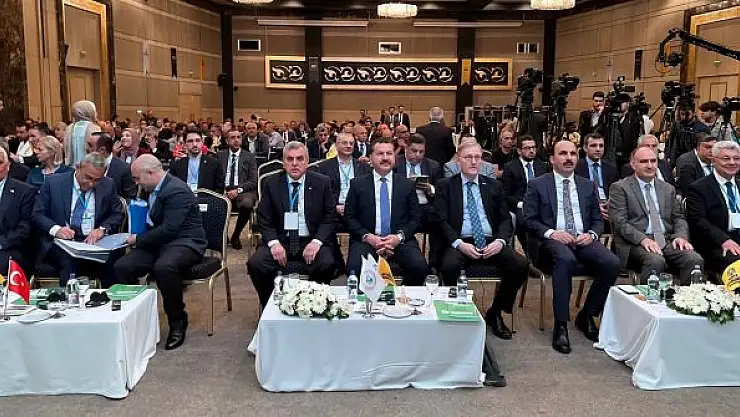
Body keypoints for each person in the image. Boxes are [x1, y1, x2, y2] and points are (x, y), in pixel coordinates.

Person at [523, 141, 620, 354]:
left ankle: (587, 315)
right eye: (563, 153)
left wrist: (592, 234)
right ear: (552, 159)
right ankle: (561, 324)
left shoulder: (587, 185)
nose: (569, 158)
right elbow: (529, 220)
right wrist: (552, 233)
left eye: (573, 154)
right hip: (550, 241)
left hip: (582, 239)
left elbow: (597, 219)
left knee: (612, 262)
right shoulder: (538, 184)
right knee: (565, 259)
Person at [434, 139, 529, 339]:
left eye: (477, 157)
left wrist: (500, 241)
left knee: (520, 265)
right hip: (460, 241)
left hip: (490, 240)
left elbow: (505, 219)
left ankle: (495, 312)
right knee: (449, 266)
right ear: (459, 160)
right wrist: (459, 244)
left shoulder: (493, 185)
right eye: (468, 157)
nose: (474, 161)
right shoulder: (445, 186)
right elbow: (440, 221)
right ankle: (457, 312)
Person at [115, 155, 207, 350]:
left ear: (150, 173)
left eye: (137, 178)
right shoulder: (149, 188)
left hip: (185, 241)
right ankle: (137, 317)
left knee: (164, 267)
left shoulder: (176, 190)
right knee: (123, 266)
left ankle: (177, 321)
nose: (136, 183)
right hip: (158, 242)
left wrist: (138, 240)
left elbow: (170, 229)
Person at [247, 142, 338, 307]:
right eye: (290, 159)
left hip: (311, 239)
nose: (295, 163)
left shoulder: (322, 182)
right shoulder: (271, 183)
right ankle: (270, 306)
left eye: (300, 159)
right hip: (281, 240)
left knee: (327, 263)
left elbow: (330, 218)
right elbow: (264, 218)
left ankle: (314, 304)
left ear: (307, 162)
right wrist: (274, 244)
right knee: (256, 264)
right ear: (283, 162)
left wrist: (316, 242)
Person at [609, 146, 703, 284]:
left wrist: (681, 236)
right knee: (655, 261)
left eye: (653, 161)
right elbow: (620, 222)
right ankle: (648, 297)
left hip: (666, 239)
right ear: (633, 165)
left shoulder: (667, 188)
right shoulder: (620, 188)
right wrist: (643, 239)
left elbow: (679, 218)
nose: (649, 165)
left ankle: (685, 297)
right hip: (636, 242)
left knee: (694, 259)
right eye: (644, 161)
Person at [344, 137, 429, 286]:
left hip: (399, 240)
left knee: (419, 267)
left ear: (394, 157)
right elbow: (349, 217)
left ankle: (402, 297)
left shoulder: (407, 185)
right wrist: (369, 237)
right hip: (368, 239)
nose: (385, 158)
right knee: (354, 268)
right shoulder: (357, 184)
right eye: (380, 154)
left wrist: (398, 237)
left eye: (389, 153)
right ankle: (364, 299)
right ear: (371, 158)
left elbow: (415, 218)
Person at [33, 153, 123, 286]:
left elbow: (117, 214)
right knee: (69, 260)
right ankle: (70, 297)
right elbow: (37, 214)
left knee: (111, 262)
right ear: (78, 167)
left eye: (97, 180)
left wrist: (102, 229)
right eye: (88, 177)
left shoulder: (108, 184)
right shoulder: (53, 183)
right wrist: (57, 230)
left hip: (93, 242)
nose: (91, 184)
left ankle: (107, 297)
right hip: (61, 241)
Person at [686, 141, 740, 273]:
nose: (732, 162)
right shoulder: (699, 188)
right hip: (716, 243)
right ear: (714, 160)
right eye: (726, 158)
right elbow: (699, 221)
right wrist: (724, 240)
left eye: (736, 158)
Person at [501, 135, 548, 252]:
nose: (531, 151)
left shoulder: (543, 166)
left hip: (541, 204)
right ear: (519, 151)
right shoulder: (510, 167)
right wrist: (520, 204)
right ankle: (529, 252)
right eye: (527, 148)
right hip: (520, 205)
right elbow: (506, 194)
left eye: (533, 147)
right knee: (525, 221)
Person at [218, 128, 258, 250]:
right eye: (232, 138)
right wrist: (222, 190)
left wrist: (238, 190)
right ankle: (223, 235)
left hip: (243, 190)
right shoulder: (219, 155)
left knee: (247, 204)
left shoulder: (249, 156)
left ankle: (236, 235)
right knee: (213, 202)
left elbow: (253, 180)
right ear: (226, 140)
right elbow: (214, 177)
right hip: (223, 189)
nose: (236, 140)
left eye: (238, 137)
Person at [0, 145, 37, 275]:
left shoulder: (25, 191)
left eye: (0, 163)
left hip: (8, 247)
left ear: (8, 165)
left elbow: (24, 228)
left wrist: (1, 243)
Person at [393, 133, 441, 231]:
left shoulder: (433, 166)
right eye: (414, 151)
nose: (418, 155)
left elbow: (441, 191)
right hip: (401, 207)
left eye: (421, 152)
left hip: (424, 207)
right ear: (406, 148)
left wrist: (430, 189)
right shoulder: (395, 164)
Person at [575, 133, 618, 222]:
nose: (598, 149)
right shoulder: (576, 167)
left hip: (608, 207)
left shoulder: (611, 169)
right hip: (587, 207)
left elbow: (616, 192)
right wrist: (596, 206)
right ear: (585, 148)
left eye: (601, 146)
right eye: (593, 146)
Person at [169, 128, 225, 194]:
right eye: (190, 141)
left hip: (207, 199)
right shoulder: (176, 165)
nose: (195, 144)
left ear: (202, 142)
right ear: (184, 144)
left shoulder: (214, 163)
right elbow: (173, 188)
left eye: (198, 140)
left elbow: (219, 189)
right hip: (183, 198)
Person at [87, 132, 137, 200]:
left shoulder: (123, 169)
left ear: (102, 150)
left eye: (90, 146)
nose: (87, 148)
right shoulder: (86, 164)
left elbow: (130, 198)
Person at [676, 132, 717, 196]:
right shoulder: (686, 161)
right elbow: (689, 190)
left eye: (714, 147)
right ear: (698, 148)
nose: (712, 150)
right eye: (708, 147)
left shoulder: (718, 160)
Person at [65, 100, 101, 167]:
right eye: (95, 111)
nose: (96, 113)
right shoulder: (94, 128)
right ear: (88, 111)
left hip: (71, 167)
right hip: (89, 167)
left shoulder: (69, 128)